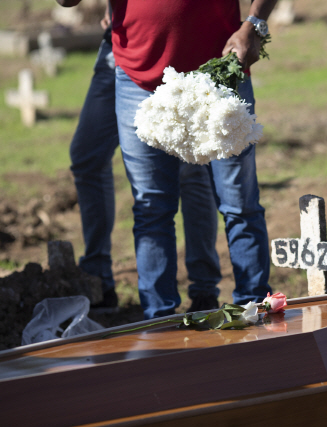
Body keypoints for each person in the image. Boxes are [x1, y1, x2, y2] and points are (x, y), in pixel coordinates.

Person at [58, 0, 277, 319]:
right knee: (151, 208)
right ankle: (160, 321)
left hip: (219, 70)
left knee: (239, 202)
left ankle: (255, 308)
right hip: (138, 77)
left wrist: (254, 24)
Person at [67, 5, 222, 315]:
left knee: (190, 168)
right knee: (87, 154)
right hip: (118, 44)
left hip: (177, 45)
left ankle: (204, 289)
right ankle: (98, 275)